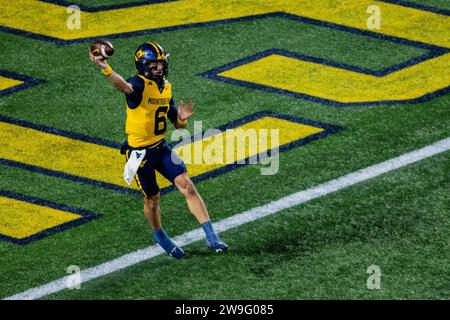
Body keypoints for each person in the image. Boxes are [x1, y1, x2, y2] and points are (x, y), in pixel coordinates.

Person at [89, 41, 228, 258]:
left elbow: (176, 122)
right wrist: (104, 67)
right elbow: (123, 87)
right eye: (154, 65)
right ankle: (160, 235)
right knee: (152, 200)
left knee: (187, 186)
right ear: (144, 66)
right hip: (140, 153)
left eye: (161, 64)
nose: (159, 69)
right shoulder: (139, 83)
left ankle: (212, 236)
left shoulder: (166, 86)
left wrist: (181, 119)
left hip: (160, 148)